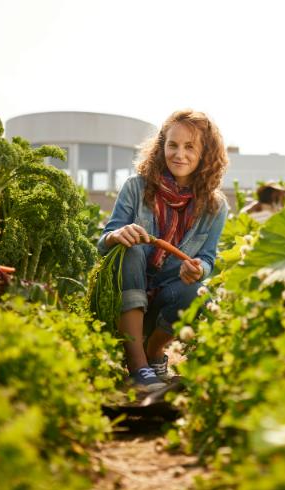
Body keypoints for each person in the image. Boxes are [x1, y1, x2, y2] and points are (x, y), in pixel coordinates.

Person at [97, 109, 229, 391]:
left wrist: (198, 268)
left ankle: (154, 353)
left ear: (205, 153)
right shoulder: (136, 187)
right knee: (130, 249)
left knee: (198, 291)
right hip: (125, 294)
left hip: (164, 300)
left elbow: (207, 258)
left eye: (190, 146)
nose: (179, 154)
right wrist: (117, 235)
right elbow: (103, 242)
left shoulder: (215, 206)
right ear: (161, 146)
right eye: (173, 145)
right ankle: (138, 367)